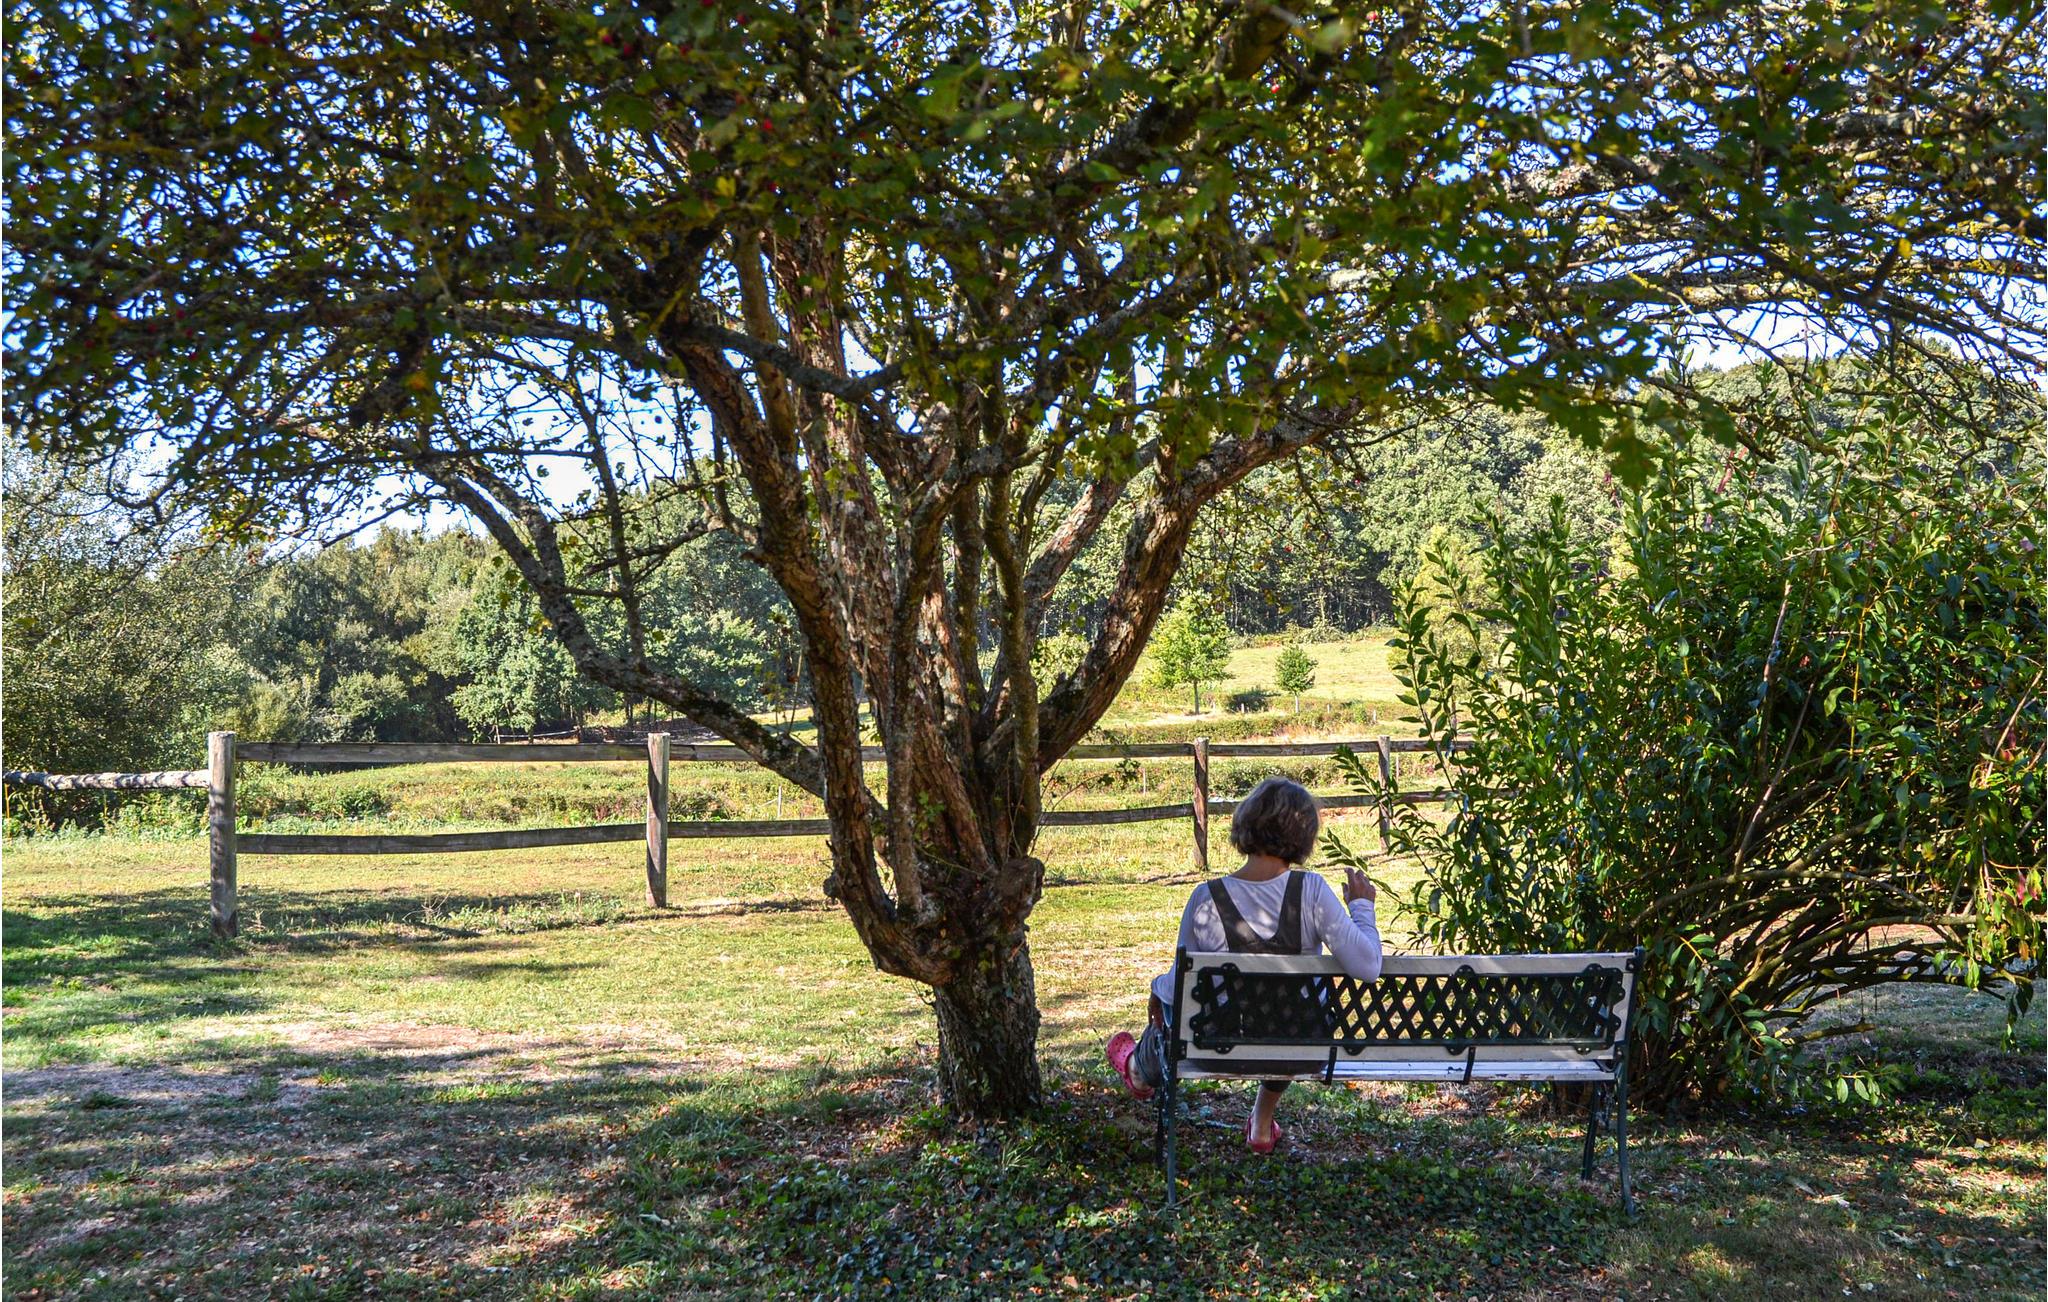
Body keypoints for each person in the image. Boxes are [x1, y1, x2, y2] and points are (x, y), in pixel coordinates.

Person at [1105, 776, 1382, 1152]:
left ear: (1246, 823)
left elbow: (1179, 989)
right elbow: (1368, 966)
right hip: (1300, 1050)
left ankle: (1138, 1069)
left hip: (1220, 1047)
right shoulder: (1312, 891)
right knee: (1287, 1014)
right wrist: (1362, 907)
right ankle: (1261, 1124)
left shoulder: (1206, 898)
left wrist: (1157, 990)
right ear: (1304, 835)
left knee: (1169, 1009)